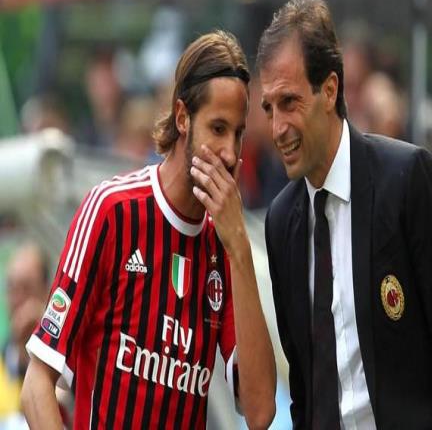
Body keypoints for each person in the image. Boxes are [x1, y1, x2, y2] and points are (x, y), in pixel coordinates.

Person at [21, 30, 276, 430]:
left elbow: (260, 412)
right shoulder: (112, 211)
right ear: (182, 117)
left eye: (238, 133)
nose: (230, 152)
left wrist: (241, 248)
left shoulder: (226, 246)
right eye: (218, 128)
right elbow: (36, 384)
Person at [257, 0, 432, 429]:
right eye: (268, 108)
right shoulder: (281, 222)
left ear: (330, 90)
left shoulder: (405, 179)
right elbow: (304, 391)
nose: (277, 128)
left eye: (289, 102)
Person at [0, 243, 49, 427]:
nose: (17, 299)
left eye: (26, 288)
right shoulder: (3, 361)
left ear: (47, 292)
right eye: (12, 289)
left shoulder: (69, 366)